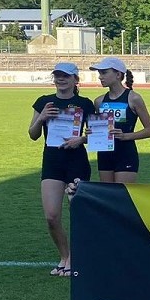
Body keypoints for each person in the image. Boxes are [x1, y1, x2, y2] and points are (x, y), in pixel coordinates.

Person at [29, 62, 95, 277]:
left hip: (77, 161)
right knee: (51, 216)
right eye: (57, 75)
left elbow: (99, 133)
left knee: (77, 214)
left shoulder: (85, 103)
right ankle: (64, 256)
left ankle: (75, 258)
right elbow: (33, 134)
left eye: (66, 76)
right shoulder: (43, 102)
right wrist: (41, 117)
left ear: (76, 80)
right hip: (52, 161)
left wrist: (82, 139)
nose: (60, 79)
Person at [90, 56, 150, 183]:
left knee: (121, 198)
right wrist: (92, 133)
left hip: (125, 154)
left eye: (104, 73)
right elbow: (99, 131)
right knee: (107, 197)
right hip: (104, 155)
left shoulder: (134, 98)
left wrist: (125, 136)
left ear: (118, 74)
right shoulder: (98, 101)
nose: (100, 77)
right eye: (99, 73)